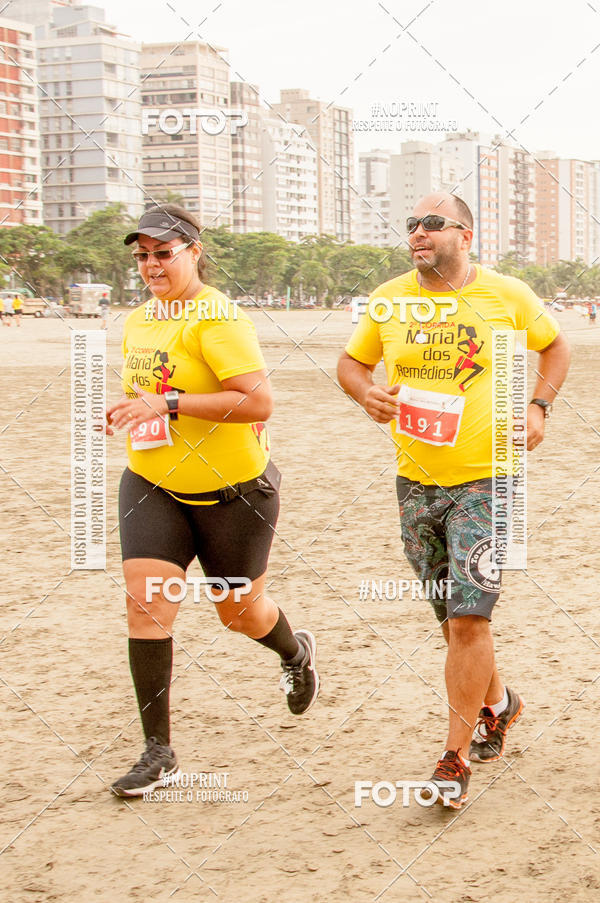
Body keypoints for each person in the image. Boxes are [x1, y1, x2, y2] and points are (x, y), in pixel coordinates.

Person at [337, 192, 570, 809]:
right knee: (450, 617)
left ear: (466, 235)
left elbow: (556, 346)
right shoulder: (389, 299)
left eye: (433, 223)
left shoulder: (505, 294)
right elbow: (351, 362)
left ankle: (454, 759)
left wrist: (538, 407)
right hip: (414, 480)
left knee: (470, 618)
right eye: (412, 224)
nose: (418, 232)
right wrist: (365, 392)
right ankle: (501, 704)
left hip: (489, 478)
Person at [105, 204, 319, 797]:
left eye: (163, 253)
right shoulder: (139, 321)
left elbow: (257, 402)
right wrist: (130, 411)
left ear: (193, 252)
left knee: (240, 613)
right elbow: (147, 392)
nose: (151, 264)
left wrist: (167, 404)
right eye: (143, 255)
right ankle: (159, 751)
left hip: (234, 494)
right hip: (154, 483)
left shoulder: (217, 318)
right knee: (147, 604)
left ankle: (295, 652)